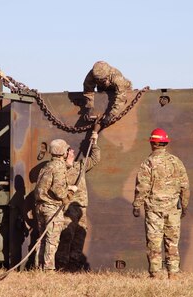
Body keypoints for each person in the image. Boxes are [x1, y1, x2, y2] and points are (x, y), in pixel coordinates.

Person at [132, 128, 190, 280]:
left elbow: (142, 186)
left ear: (152, 143)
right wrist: (184, 206)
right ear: (165, 143)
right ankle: (173, 273)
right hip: (173, 210)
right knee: (172, 243)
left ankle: (156, 274)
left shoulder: (148, 163)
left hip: (154, 210)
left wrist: (137, 205)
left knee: (154, 242)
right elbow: (185, 186)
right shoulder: (176, 162)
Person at [56, 131, 100, 271]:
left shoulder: (79, 166)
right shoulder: (59, 169)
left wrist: (94, 143)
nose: (73, 151)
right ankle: (61, 265)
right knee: (66, 235)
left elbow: (95, 159)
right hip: (67, 207)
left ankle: (74, 266)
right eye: (69, 150)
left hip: (81, 207)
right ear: (64, 153)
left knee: (80, 235)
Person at [35, 139, 78, 271]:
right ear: (63, 152)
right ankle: (48, 269)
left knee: (42, 239)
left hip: (41, 206)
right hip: (51, 208)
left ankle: (39, 267)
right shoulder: (59, 167)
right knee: (52, 240)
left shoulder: (47, 166)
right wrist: (70, 191)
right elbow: (58, 190)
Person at [83, 61, 132, 125]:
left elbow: (121, 97)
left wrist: (111, 115)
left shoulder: (116, 77)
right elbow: (88, 92)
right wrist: (90, 108)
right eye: (97, 80)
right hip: (103, 90)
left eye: (102, 79)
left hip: (122, 90)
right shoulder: (92, 75)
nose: (99, 81)